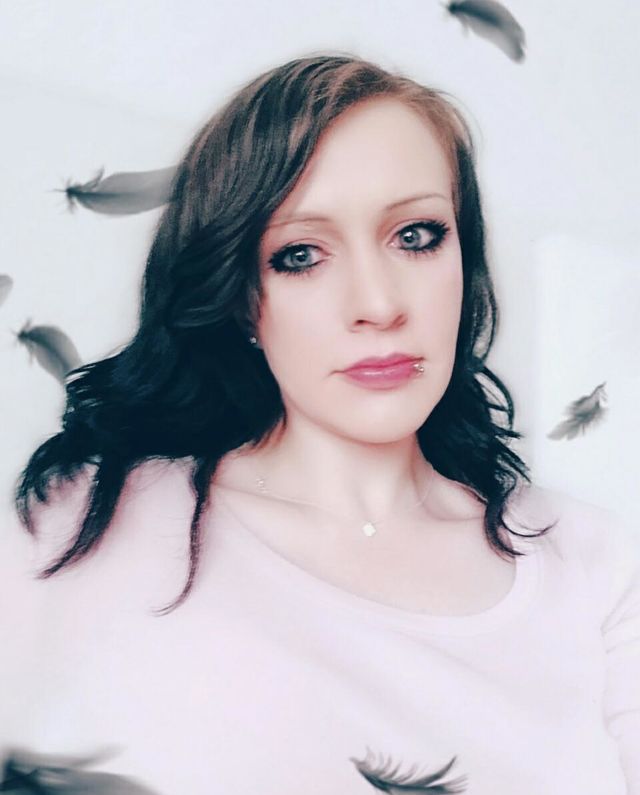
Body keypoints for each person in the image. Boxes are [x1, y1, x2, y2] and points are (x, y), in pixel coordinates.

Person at [1, 53, 638, 795]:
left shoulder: (598, 569)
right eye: (301, 255)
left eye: (417, 236)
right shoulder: (78, 526)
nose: (378, 304)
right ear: (240, 295)